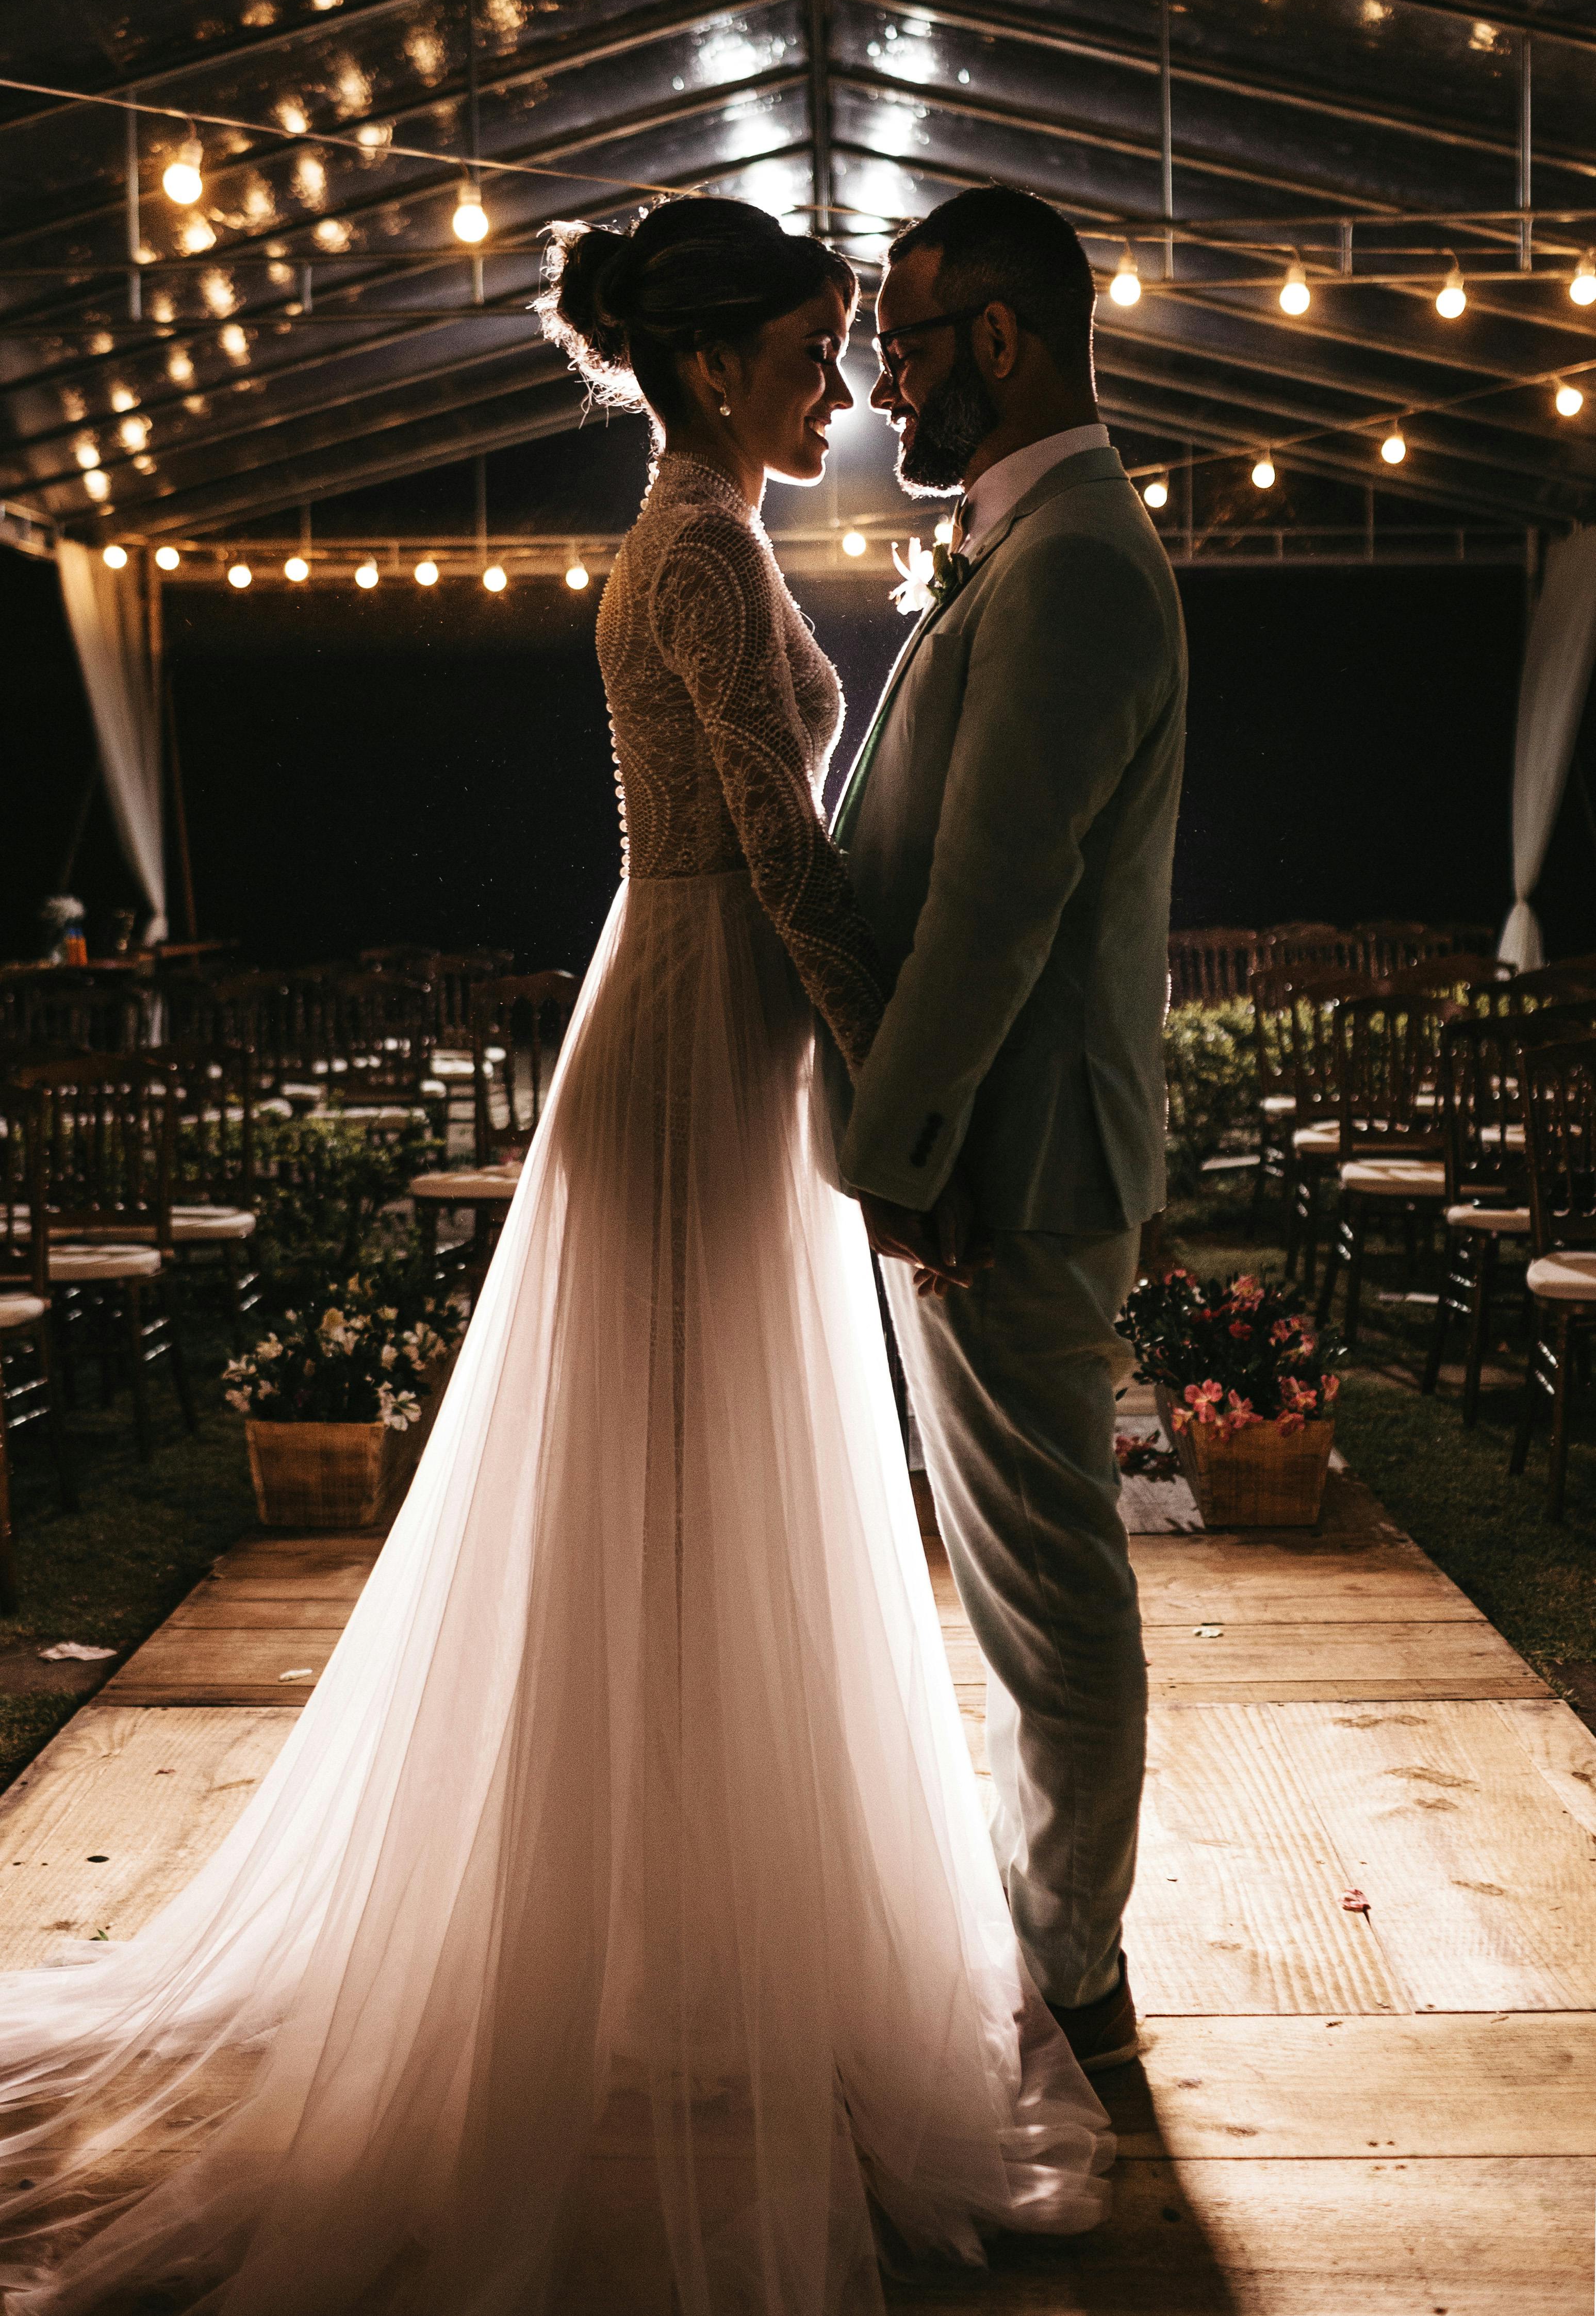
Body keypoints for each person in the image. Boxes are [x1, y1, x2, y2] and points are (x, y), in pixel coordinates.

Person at [0, 199, 1110, 2316]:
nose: (835, 381)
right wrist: (901, 1116)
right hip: (694, 1043)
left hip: (707, 1033)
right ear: (709, 369)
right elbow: (780, 857)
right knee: (686, 1502)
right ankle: (650, 1957)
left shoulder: (716, 531)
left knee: (705, 1510)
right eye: (804, 347)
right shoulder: (695, 552)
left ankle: (688, 1934)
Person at [826, 186, 1187, 2072]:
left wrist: (906, 1159)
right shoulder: (1022, 544)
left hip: (1009, 1168)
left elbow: (992, 909)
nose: (886, 373)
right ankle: (1045, 1942)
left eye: (908, 332)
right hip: (985, 1152)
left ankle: (1078, 1985)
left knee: (1051, 1596)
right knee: (1022, 1580)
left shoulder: (1074, 569)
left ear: (1004, 338)